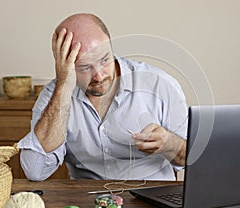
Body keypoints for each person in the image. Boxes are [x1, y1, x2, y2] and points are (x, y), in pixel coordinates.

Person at [18, 13, 188, 181]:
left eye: (105, 60)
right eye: (85, 68)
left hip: (153, 197)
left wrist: (169, 143)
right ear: (64, 64)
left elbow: (192, 160)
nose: (99, 76)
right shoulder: (53, 96)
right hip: (87, 203)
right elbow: (36, 171)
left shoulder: (159, 85)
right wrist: (63, 88)